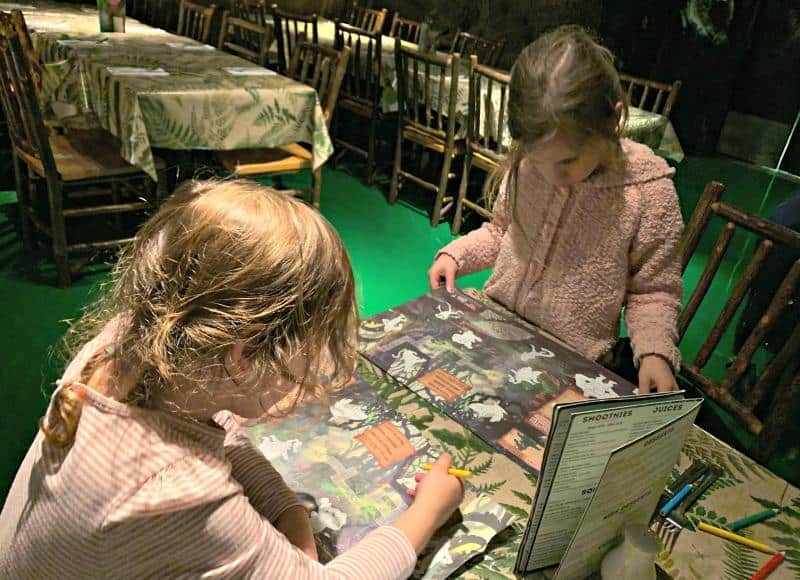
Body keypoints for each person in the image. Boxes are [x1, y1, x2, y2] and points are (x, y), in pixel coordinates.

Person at [0, 180, 463, 578]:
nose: (316, 366)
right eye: (314, 346)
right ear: (244, 356)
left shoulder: (122, 342)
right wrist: (428, 512)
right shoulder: (175, 491)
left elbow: (216, 418)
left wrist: (288, 511)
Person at [429, 26, 684, 393]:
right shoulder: (530, 165)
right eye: (537, 160)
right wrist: (457, 255)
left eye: (567, 161)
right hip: (496, 331)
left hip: (573, 362)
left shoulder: (648, 194)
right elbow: (502, 232)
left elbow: (654, 291)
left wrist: (655, 353)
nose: (552, 175)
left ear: (612, 121)